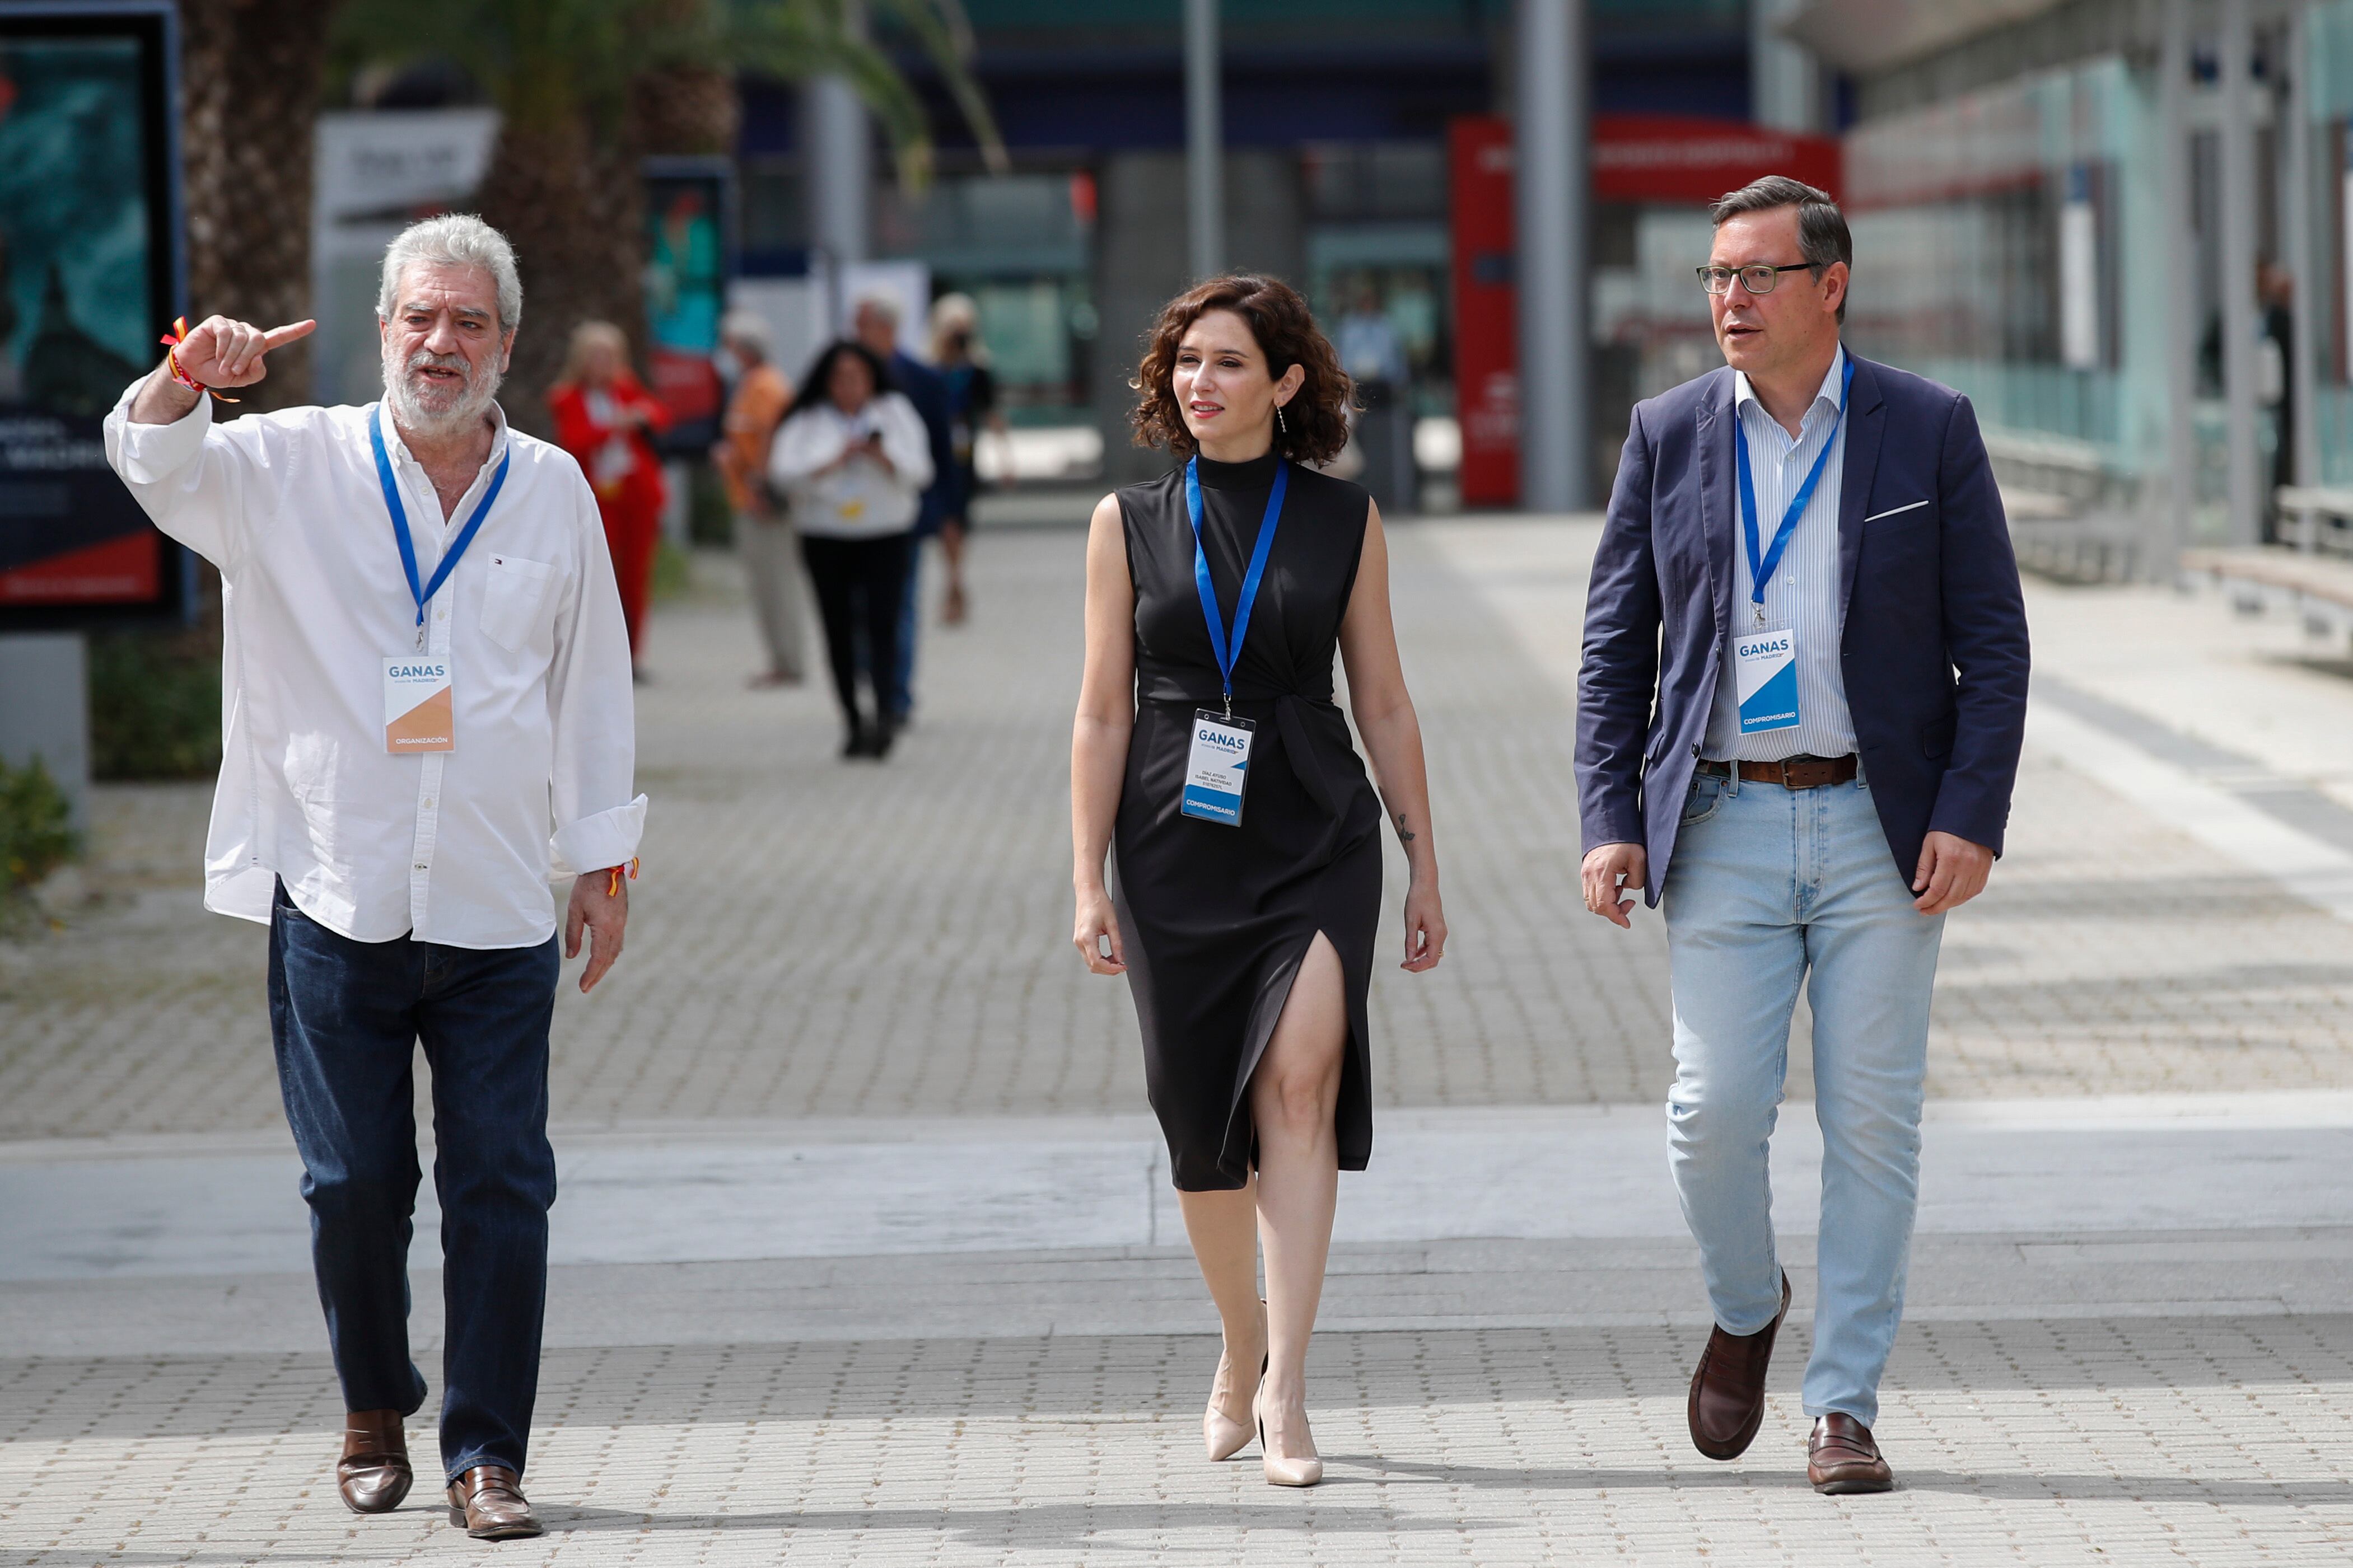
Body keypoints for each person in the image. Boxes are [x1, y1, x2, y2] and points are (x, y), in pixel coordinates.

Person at [102, 214, 645, 1540]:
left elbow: (591, 685)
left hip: (500, 894)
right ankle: (370, 1405)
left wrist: (603, 858)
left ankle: (487, 1454)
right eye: (420, 317)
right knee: (351, 1185)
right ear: (380, 330)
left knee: (502, 1181)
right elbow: (146, 460)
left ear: (508, 345)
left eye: (469, 322)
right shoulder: (284, 465)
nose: (440, 343)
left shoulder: (556, 490)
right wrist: (190, 373)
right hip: (334, 890)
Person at [1574, 176, 2029, 1496]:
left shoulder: (1925, 429)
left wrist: (1970, 814)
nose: (1729, 299)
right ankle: (1747, 1296)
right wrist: (1610, 820)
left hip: (1881, 832)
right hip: (1717, 820)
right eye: (1716, 276)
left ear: (1830, 285)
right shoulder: (1665, 434)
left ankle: (1843, 1405)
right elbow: (1616, 648)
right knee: (1709, 1113)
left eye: (1756, 275)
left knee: (1871, 1126)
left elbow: (1991, 644)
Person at [1070, 274, 1448, 1489]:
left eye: (1227, 361)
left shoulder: (1344, 519)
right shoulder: (1124, 520)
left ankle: (1287, 1379)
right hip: (1174, 833)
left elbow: (1382, 699)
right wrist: (1084, 877)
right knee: (1199, 1126)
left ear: (1285, 382)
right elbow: (1097, 710)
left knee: (1300, 1082)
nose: (1199, 381)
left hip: (1312, 825)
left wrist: (1421, 857)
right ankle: (1239, 1338)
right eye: (1185, 361)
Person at [770, 339, 934, 759]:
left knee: (884, 625)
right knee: (837, 629)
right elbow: (782, 473)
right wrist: (834, 459)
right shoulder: (807, 420)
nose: (849, 387)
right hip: (826, 535)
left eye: (857, 378)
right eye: (840, 378)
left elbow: (921, 470)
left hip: (885, 533)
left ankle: (885, 715)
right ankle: (852, 719)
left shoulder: (894, 412)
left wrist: (882, 455)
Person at [851, 294, 953, 722]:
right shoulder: (841, 376)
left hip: (906, 514)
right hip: (849, 518)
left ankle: (895, 696)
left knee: (900, 607)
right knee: (858, 607)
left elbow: (942, 454)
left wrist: (949, 516)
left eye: (864, 326)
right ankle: (869, 680)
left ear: (887, 329)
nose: (857, 335)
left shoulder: (922, 380)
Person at [548, 320, 669, 679]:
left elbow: (660, 416)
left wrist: (641, 416)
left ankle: (632, 657)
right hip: (596, 498)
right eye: (597, 356)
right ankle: (591, 656)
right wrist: (614, 426)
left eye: (610, 356)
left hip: (635, 494)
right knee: (594, 577)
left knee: (636, 576)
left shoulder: (626, 388)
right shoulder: (567, 396)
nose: (604, 364)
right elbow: (575, 440)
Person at [712, 311, 805, 687]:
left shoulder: (767, 387)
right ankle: (781, 659)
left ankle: (789, 661)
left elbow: (769, 439)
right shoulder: (754, 383)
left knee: (775, 582)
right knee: (765, 583)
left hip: (762, 501)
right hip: (749, 496)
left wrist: (761, 488)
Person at [928, 292, 1008, 625]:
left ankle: (954, 578)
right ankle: (954, 580)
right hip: (934, 453)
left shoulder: (977, 370)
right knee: (944, 520)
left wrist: (1006, 459)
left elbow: (992, 414)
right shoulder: (930, 369)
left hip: (963, 454)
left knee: (958, 520)